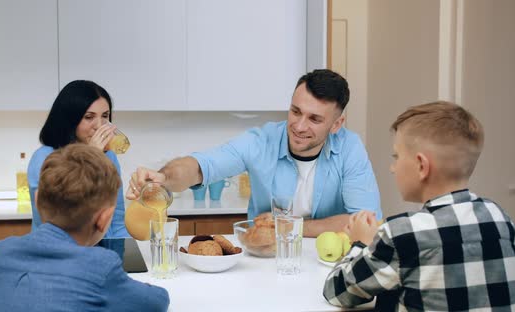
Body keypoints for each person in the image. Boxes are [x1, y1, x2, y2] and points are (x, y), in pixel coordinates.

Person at [127, 69, 381, 237]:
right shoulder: (261, 141)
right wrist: (163, 177)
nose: (299, 126)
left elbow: (366, 221)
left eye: (314, 119)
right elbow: (200, 166)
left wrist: (287, 226)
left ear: (337, 124)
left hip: (329, 262)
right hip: (265, 259)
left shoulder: (350, 148)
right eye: (295, 111)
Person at [323, 101, 515, 310]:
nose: (392, 168)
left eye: (396, 157)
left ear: (422, 166)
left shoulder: (401, 234)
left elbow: (337, 292)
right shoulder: (501, 218)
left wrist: (360, 244)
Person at [0, 144, 170, 312]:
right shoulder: (99, 266)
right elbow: (157, 302)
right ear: (104, 218)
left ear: (36, 201)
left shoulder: (1, 252)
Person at [28, 80, 128, 237]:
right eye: (89, 117)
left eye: (105, 116)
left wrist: (120, 251)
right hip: (58, 251)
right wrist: (91, 157)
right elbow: (53, 221)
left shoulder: (109, 157)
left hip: (102, 250)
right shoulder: (43, 157)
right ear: (69, 119)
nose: (99, 125)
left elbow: (117, 219)